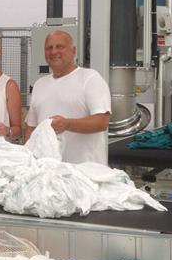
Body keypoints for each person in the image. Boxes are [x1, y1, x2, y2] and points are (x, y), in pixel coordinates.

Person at [24, 30, 111, 164]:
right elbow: (31, 127)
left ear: (73, 51)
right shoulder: (39, 85)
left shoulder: (90, 78)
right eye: (49, 48)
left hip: (86, 172)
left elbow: (102, 121)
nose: (54, 52)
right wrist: (28, 159)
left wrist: (67, 124)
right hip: (48, 172)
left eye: (60, 47)